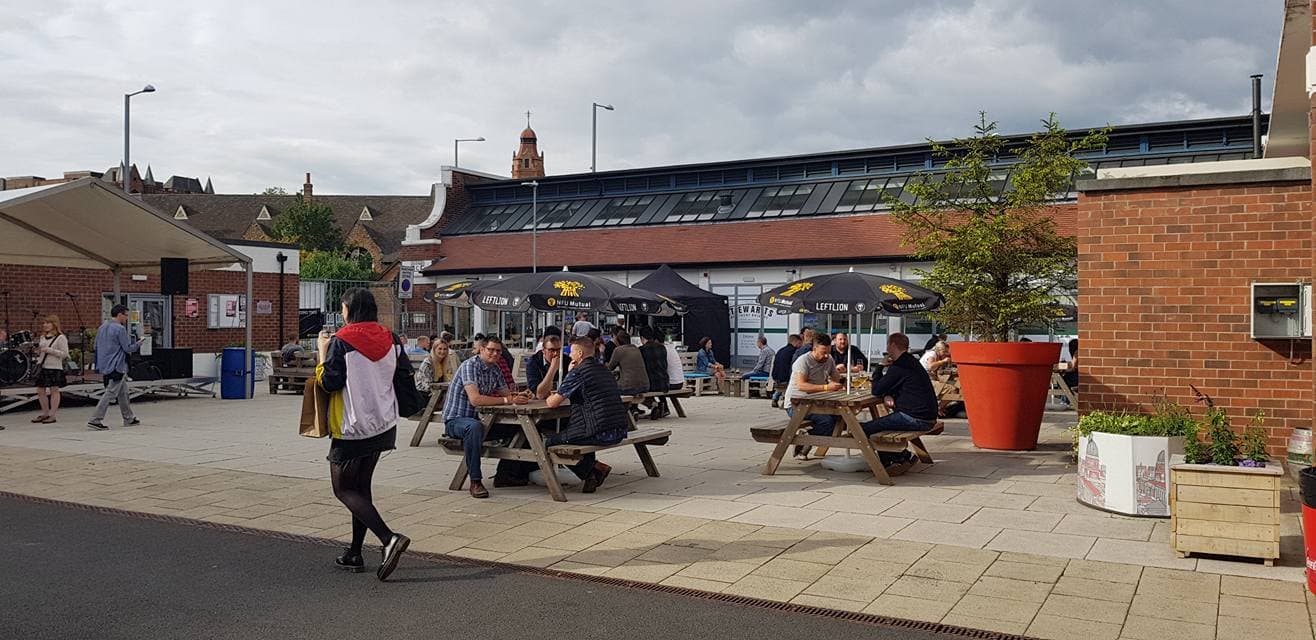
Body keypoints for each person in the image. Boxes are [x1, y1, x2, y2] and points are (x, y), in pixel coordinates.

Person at [314, 288, 411, 580]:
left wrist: (321, 352)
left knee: (343, 489)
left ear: (349, 309)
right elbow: (403, 373)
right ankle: (354, 552)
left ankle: (388, 538)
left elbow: (329, 383)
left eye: (343, 308)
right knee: (362, 489)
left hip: (352, 425)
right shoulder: (391, 339)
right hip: (383, 423)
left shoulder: (342, 341)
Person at [443, 336, 530, 498]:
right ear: (482, 349)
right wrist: (508, 400)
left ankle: (506, 475)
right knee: (473, 428)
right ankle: (475, 481)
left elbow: (507, 395)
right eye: (491, 350)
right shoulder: (470, 366)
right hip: (457, 421)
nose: (495, 354)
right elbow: (475, 400)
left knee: (523, 428)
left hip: (482, 420)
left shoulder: (495, 369)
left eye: (498, 351)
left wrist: (519, 397)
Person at [539, 337, 623, 492]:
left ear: (579, 353)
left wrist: (568, 376)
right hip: (617, 429)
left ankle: (595, 468)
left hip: (597, 431)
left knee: (548, 443)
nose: (570, 355)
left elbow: (552, 403)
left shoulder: (579, 372)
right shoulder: (604, 369)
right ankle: (592, 473)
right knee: (571, 434)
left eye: (571, 352)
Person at [861, 333, 939, 452]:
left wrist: (879, 367)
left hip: (915, 419)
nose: (887, 348)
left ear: (892, 345)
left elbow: (876, 390)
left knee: (861, 429)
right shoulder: (911, 362)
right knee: (880, 426)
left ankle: (887, 459)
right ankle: (895, 457)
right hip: (926, 417)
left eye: (888, 345)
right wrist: (887, 394)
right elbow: (892, 387)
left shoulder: (899, 366)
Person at [87, 305, 147, 430]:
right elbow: (127, 348)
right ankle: (95, 419)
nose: (126, 318)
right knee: (110, 392)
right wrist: (138, 343)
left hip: (105, 364)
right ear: (120, 315)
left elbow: (96, 346)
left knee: (123, 392)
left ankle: (128, 418)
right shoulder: (120, 329)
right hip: (117, 365)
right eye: (126, 315)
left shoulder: (102, 327)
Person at [784, 334, 844, 459]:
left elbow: (836, 378)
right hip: (796, 404)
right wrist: (827, 387)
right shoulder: (803, 361)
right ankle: (803, 442)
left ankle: (805, 441)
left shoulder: (829, 359)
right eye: (823, 352)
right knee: (827, 421)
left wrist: (844, 383)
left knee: (840, 418)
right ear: (814, 349)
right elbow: (801, 385)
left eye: (828, 352)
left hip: (816, 402)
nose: (826, 356)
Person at [32, 315, 69, 424]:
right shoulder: (43, 337)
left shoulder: (60, 337)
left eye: (48, 323)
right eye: (44, 323)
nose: (45, 325)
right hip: (43, 366)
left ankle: (52, 415)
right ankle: (45, 413)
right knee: (40, 390)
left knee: (54, 390)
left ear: (54, 324)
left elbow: (64, 354)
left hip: (54, 367)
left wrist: (50, 350)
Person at [607, 331, 650, 407]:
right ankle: (650, 405)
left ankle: (629, 411)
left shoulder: (618, 350)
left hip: (629, 386)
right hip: (645, 385)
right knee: (634, 389)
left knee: (611, 389)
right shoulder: (636, 349)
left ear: (617, 341)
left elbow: (610, 368)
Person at [638, 326, 670, 419]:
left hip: (651, 384)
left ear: (642, 338)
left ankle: (653, 405)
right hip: (665, 383)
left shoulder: (641, 350)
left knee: (635, 388)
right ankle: (662, 406)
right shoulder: (662, 348)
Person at [770, 334, 802, 408]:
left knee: (783, 382)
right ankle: (785, 402)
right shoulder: (794, 352)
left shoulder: (780, 350)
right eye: (800, 343)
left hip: (775, 377)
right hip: (785, 378)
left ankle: (775, 398)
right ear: (796, 342)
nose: (801, 345)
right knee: (794, 382)